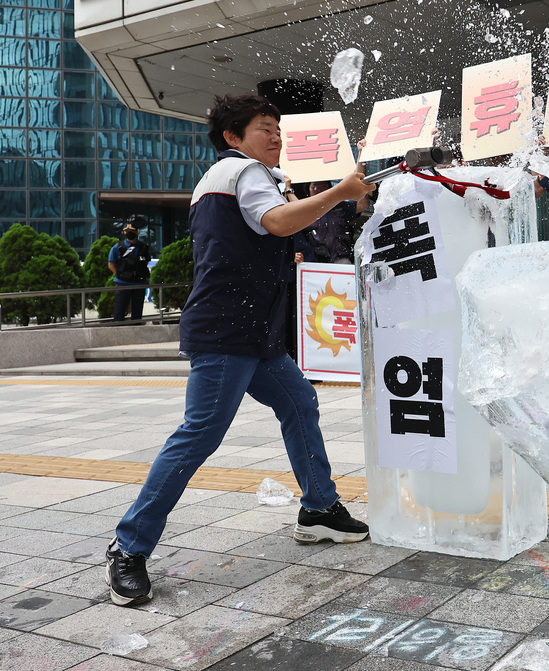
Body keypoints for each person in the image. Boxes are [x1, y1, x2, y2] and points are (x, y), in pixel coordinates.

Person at [105, 94, 376, 608]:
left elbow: (269, 232)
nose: (275, 137)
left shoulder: (241, 177)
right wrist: (341, 191)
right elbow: (277, 223)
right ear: (233, 137)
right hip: (228, 331)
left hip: (254, 333)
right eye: (263, 128)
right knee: (199, 434)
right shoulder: (243, 172)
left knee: (300, 402)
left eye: (277, 129)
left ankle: (319, 509)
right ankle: (129, 546)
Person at [108, 225, 151, 323]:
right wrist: (120, 275)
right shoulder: (117, 247)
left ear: (137, 232)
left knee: (137, 315)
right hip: (123, 284)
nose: (130, 232)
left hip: (139, 284)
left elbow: (146, 262)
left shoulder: (143, 247)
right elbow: (111, 264)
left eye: (132, 230)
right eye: (127, 230)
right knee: (119, 314)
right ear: (124, 232)